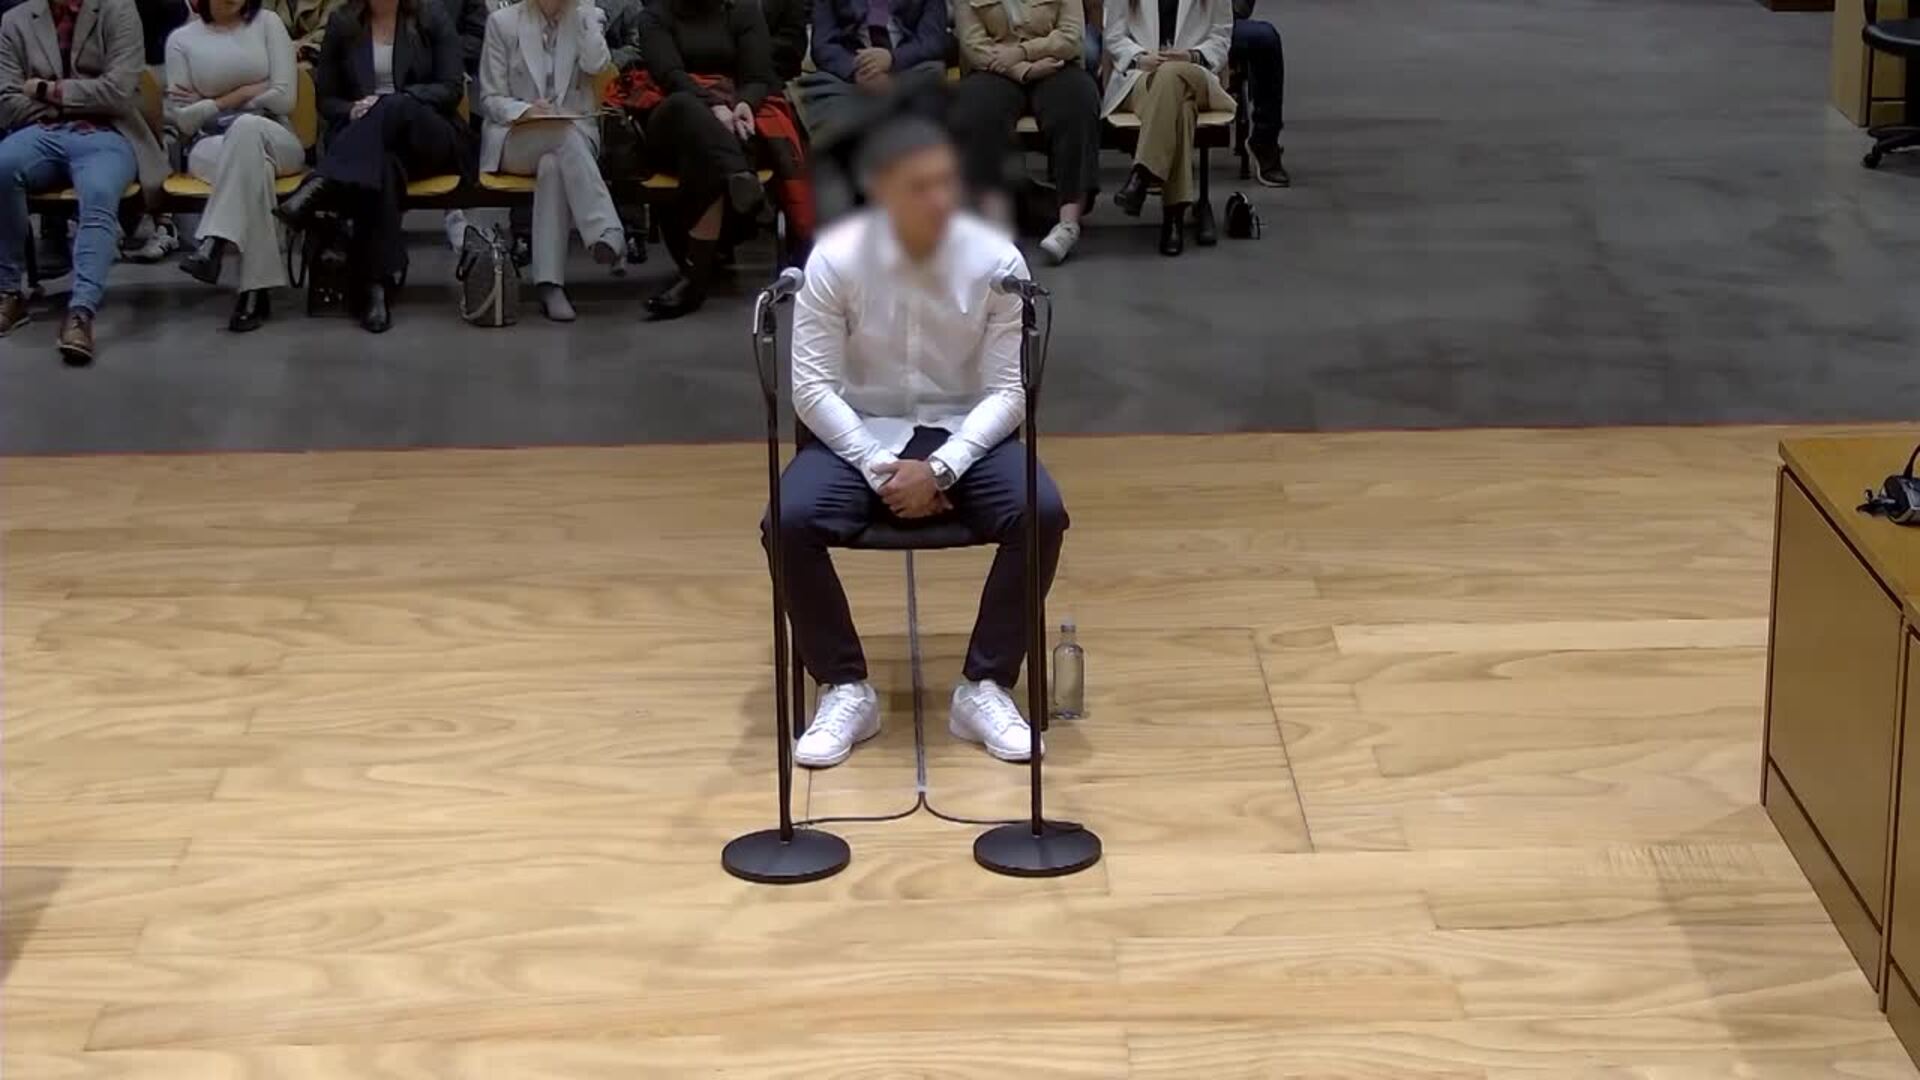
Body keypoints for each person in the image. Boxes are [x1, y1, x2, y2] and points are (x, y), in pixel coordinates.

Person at [763, 117, 1068, 769]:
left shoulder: (998, 264)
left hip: (965, 434)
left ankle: (984, 686)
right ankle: (844, 686)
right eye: (919, 186)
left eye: (945, 183)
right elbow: (811, 389)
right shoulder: (834, 260)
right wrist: (882, 467)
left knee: (1041, 511)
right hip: (859, 433)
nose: (938, 199)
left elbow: (1009, 392)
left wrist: (943, 468)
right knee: (787, 520)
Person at [276, 0, 470, 332]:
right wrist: (352, 110)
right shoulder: (342, 23)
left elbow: (451, 88)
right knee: (382, 167)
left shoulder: (432, 18)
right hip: (367, 146)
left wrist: (395, 101)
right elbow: (327, 100)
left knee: (393, 106)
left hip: (427, 134)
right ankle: (376, 286)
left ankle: (323, 181)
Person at [0, 0, 167, 365]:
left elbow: (119, 91)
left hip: (108, 133)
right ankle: (8, 292)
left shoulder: (119, 10)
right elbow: (6, 103)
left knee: (99, 191)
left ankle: (81, 311)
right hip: (41, 131)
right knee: (2, 166)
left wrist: (45, 90)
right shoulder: (14, 21)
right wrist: (72, 103)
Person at [635, 0, 812, 319]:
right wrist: (713, 107)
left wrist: (745, 104)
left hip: (734, 121)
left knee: (711, 158)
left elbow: (758, 76)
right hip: (673, 120)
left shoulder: (743, 11)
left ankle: (695, 279)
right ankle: (740, 177)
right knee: (688, 110)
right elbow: (670, 76)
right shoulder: (655, 15)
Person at [477, 0, 622, 321]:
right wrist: (526, 111)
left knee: (553, 164)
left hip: (573, 140)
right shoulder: (502, 23)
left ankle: (550, 285)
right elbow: (489, 98)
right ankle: (605, 229)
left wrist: (587, 15)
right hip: (516, 137)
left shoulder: (586, 17)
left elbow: (598, 66)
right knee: (562, 136)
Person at [167, 0, 304, 332]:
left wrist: (208, 103)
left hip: (274, 136)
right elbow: (184, 120)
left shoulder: (268, 24)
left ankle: (215, 239)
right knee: (254, 166)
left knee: (246, 128)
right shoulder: (181, 40)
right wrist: (244, 93)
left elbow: (284, 99)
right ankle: (254, 290)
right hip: (210, 145)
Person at [949, 0, 1099, 263]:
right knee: (976, 109)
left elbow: (1071, 36)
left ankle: (1068, 223)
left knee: (1079, 101)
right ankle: (992, 223)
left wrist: (1023, 52)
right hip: (995, 69)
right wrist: (1024, 70)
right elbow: (973, 45)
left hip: (1055, 63)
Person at [1101, 0, 1233, 256]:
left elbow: (1221, 36)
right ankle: (1173, 216)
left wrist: (1192, 56)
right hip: (1141, 77)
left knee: (1172, 73)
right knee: (1181, 109)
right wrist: (1140, 58)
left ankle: (1144, 174)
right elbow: (1114, 35)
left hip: (1195, 74)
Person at [790, 0, 945, 151]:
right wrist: (857, 69)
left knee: (931, 76)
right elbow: (823, 45)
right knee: (818, 99)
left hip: (908, 66)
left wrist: (893, 59)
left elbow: (933, 40)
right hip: (850, 72)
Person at [1230, 0, 1285, 187]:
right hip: (1159, 26)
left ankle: (1264, 140)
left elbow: (1241, 8)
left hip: (1216, 22)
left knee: (1265, 38)